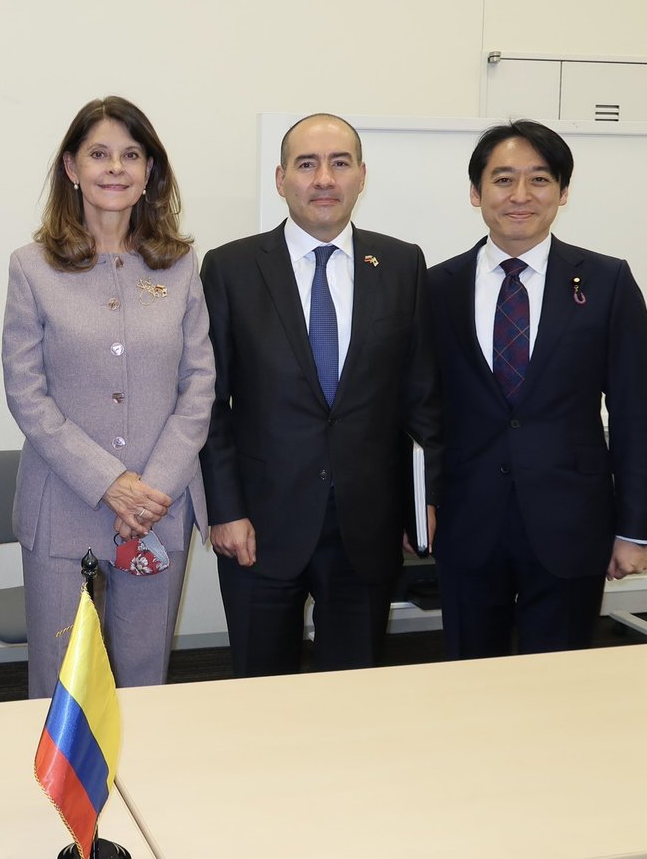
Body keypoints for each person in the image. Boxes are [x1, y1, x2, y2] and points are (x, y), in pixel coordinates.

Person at [199, 113, 442, 677]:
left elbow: (422, 396)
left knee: (353, 692)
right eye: (307, 164)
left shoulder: (402, 264)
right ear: (281, 179)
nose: (324, 179)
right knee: (260, 690)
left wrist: (423, 500)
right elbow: (209, 404)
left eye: (340, 163)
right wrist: (225, 510)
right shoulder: (230, 268)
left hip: (368, 523)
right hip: (260, 524)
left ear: (361, 176)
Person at [3, 96, 214, 698]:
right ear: (72, 168)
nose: (115, 168)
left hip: (157, 505)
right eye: (99, 154)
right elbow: (27, 394)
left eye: (131, 154)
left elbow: (199, 385)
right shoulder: (32, 267)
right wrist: (110, 482)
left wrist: (152, 489)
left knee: (145, 679)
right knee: (61, 686)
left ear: (150, 171)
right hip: (64, 503)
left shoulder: (180, 266)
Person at [428, 120, 647, 658]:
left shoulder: (608, 282)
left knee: (561, 686)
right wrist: (417, 508)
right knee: (468, 678)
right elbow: (418, 411)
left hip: (572, 524)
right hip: (465, 522)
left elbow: (636, 411)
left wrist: (635, 529)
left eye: (540, 179)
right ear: (476, 192)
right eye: (503, 179)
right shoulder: (435, 287)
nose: (520, 195)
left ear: (563, 192)